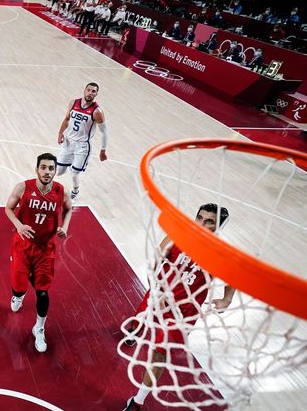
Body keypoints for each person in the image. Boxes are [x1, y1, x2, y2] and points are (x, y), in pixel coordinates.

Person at [122, 203, 236, 411]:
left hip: (183, 314)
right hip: (158, 295)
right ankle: (135, 330)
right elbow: (153, 262)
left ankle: (137, 401)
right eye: (200, 218)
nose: (201, 224)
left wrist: (226, 299)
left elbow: (233, 278)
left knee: (159, 354)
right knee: (137, 324)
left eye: (209, 221)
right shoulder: (177, 237)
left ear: (218, 227)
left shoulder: (222, 254)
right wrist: (157, 289)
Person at [5, 153, 73, 353]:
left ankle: (39, 328)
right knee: (18, 287)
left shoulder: (62, 191)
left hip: (45, 248)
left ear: (54, 171)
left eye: (51, 168)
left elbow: (69, 209)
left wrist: (65, 226)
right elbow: (8, 208)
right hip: (23, 245)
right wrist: (18, 225)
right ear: (37, 170)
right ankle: (18, 296)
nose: (47, 172)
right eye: (43, 168)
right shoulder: (23, 187)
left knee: (42, 291)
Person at [56, 82, 108, 201]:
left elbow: (104, 132)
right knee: (59, 172)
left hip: (83, 146)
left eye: (93, 91)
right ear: (84, 90)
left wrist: (103, 150)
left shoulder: (97, 111)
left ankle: (75, 191)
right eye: (88, 90)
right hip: (68, 142)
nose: (90, 93)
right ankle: (71, 164)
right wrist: (60, 133)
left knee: (74, 173)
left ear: (96, 94)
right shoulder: (73, 103)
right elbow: (67, 119)